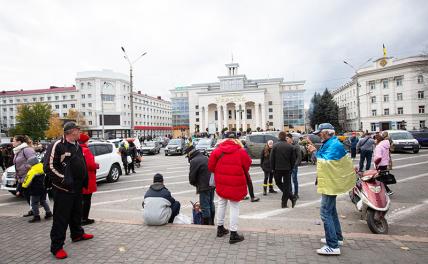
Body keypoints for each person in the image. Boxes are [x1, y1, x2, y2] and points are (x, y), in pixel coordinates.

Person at [44, 122, 93, 260]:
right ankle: (57, 247)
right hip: (63, 188)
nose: (80, 133)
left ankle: (77, 234)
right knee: (61, 218)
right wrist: (65, 180)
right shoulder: (57, 145)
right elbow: (48, 167)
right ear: (71, 132)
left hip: (77, 187)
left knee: (77, 212)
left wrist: (84, 180)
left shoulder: (76, 144)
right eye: (78, 130)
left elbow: (80, 163)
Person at [307, 123, 355, 255]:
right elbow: (321, 159)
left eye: (320, 133)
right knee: (331, 211)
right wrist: (314, 151)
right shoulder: (330, 143)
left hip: (330, 183)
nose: (318, 136)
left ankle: (332, 245)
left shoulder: (333, 145)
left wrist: (313, 151)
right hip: (330, 182)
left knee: (325, 212)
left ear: (327, 132)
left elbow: (324, 162)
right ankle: (337, 238)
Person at [208, 133, 251, 244]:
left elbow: (211, 166)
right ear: (235, 140)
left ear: (224, 139)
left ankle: (220, 228)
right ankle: (233, 233)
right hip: (236, 182)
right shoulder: (241, 151)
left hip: (222, 182)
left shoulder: (217, 150)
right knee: (234, 206)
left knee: (221, 203)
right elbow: (247, 165)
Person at [187, 145, 215, 225]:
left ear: (190, 154)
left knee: (205, 206)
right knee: (211, 203)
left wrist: (196, 186)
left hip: (204, 186)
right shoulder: (205, 157)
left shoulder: (194, 161)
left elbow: (192, 178)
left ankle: (206, 225)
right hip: (212, 184)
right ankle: (212, 222)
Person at [270, 131, 296, 208]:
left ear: (279, 137)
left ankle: (290, 198)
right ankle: (287, 200)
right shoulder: (290, 146)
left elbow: (272, 158)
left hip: (277, 168)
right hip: (287, 169)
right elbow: (293, 159)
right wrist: (291, 167)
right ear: (285, 137)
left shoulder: (275, 146)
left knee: (279, 183)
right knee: (286, 186)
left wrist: (272, 168)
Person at [22, 156, 52, 223]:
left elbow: (27, 181)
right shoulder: (43, 166)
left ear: (32, 163)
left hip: (35, 189)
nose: (28, 165)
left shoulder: (32, 171)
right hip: (44, 188)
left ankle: (36, 216)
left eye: (29, 164)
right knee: (43, 201)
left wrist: (23, 186)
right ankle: (49, 213)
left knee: (34, 203)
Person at [12, 135, 36, 217]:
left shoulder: (27, 150)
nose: (12, 142)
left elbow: (34, 161)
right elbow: (17, 164)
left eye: (14, 141)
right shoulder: (17, 151)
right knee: (27, 194)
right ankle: (33, 210)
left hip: (28, 176)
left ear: (19, 142)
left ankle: (40, 212)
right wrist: (17, 176)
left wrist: (27, 167)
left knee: (31, 195)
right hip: (21, 177)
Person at [79, 133, 99, 225]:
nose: (88, 142)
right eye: (88, 140)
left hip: (80, 178)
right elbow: (90, 165)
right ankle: (84, 218)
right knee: (87, 200)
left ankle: (80, 217)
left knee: (81, 199)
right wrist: (97, 165)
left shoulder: (77, 149)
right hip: (88, 178)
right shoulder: (86, 150)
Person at [287, 134, 302, 199]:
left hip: (294, 166)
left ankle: (296, 193)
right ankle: (290, 193)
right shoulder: (286, 145)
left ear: (291, 138)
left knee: (294, 180)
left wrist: (295, 165)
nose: (286, 139)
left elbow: (299, 156)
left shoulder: (296, 146)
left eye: (287, 138)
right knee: (288, 180)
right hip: (287, 166)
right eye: (286, 138)